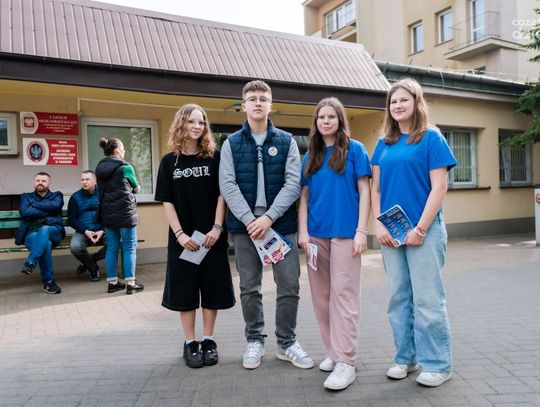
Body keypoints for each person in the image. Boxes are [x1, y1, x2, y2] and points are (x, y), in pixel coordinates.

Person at [219, 79, 313, 370]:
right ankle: (255, 341)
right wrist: (251, 220)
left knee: (289, 285)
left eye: (263, 99)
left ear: (271, 105)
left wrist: (269, 217)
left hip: (281, 226)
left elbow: (293, 184)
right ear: (243, 106)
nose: (258, 103)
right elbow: (227, 185)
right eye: (252, 99)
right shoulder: (231, 143)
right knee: (250, 287)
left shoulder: (287, 142)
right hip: (245, 229)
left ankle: (286, 343)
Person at [370, 78, 457, 387]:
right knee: (398, 298)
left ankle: (438, 365)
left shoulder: (431, 138)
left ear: (416, 102)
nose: (398, 105)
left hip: (425, 231)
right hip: (391, 231)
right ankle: (406, 359)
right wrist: (379, 224)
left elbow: (439, 188)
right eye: (393, 101)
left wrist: (420, 228)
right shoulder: (384, 142)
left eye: (403, 100)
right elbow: (376, 188)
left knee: (427, 300)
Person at [298, 97, 371, 390]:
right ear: (316, 123)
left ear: (340, 120)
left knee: (344, 297)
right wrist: (303, 232)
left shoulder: (355, 150)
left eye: (331, 116)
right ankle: (332, 352)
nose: (326, 121)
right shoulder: (310, 155)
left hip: (345, 233)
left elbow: (365, 191)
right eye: (321, 117)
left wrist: (362, 230)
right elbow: (304, 198)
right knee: (322, 298)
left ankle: (346, 362)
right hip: (316, 236)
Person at [155, 104, 235, 368]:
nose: (197, 127)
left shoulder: (215, 157)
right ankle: (190, 343)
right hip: (184, 242)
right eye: (191, 121)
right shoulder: (170, 162)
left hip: (212, 239)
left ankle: (208, 340)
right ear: (182, 124)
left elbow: (223, 194)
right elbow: (166, 201)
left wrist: (217, 227)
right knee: (185, 293)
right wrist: (179, 234)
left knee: (212, 291)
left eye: (201, 122)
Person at [95, 138, 144, 295]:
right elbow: (136, 188)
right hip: (125, 213)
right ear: (117, 150)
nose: (124, 151)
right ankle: (130, 283)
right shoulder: (125, 167)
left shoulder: (99, 168)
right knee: (129, 247)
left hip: (108, 214)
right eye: (123, 148)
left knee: (112, 249)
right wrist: (135, 187)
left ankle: (113, 283)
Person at [15, 172, 65, 294]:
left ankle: (31, 261)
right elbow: (25, 212)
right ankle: (49, 282)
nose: (40, 183)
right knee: (46, 244)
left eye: (43, 180)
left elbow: (55, 205)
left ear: (49, 183)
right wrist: (48, 211)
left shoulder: (57, 195)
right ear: (34, 182)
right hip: (31, 234)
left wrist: (34, 206)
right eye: (38, 180)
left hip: (53, 231)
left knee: (45, 229)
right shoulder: (26, 196)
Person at [68, 170, 105, 282]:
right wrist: (85, 231)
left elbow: (110, 215)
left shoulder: (103, 194)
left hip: (103, 230)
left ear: (95, 181)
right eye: (82, 180)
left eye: (87, 179)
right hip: (83, 231)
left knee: (119, 242)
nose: (84, 182)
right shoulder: (75, 197)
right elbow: (72, 220)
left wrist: (102, 230)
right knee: (75, 247)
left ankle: (90, 260)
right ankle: (93, 268)